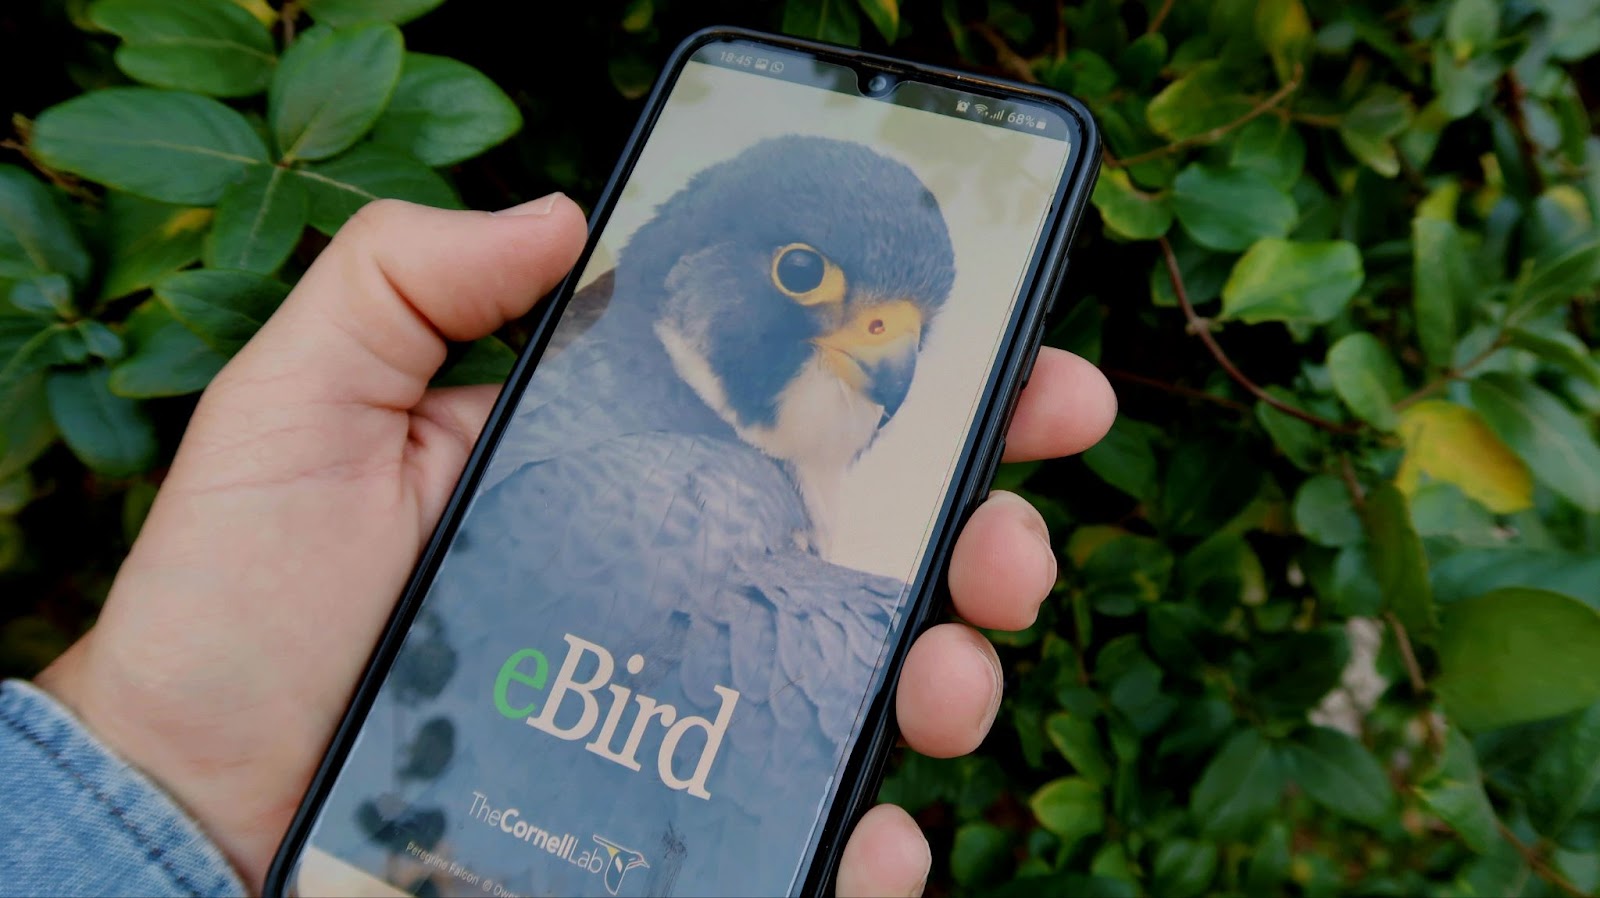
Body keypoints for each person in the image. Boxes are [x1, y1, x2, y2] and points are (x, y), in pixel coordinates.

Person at [0, 196, 1117, 897]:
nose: (884, 344)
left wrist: (130, 788)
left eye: (900, 323)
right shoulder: (730, 544)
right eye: (803, 274)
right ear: (689, 265)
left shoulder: (596, 464)